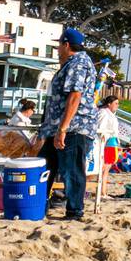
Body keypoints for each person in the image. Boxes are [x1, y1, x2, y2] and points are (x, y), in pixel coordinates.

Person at [37, 28, 99, 220]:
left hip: (74, 127)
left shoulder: (78, 63)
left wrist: (63, 129)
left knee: (72, 170)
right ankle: (38, 205)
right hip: (59, 127)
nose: (57, 50)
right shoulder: (71, 63)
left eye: (58, 45)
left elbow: (75, 96)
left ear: (66, 45)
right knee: (44, 166)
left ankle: (74, 211)